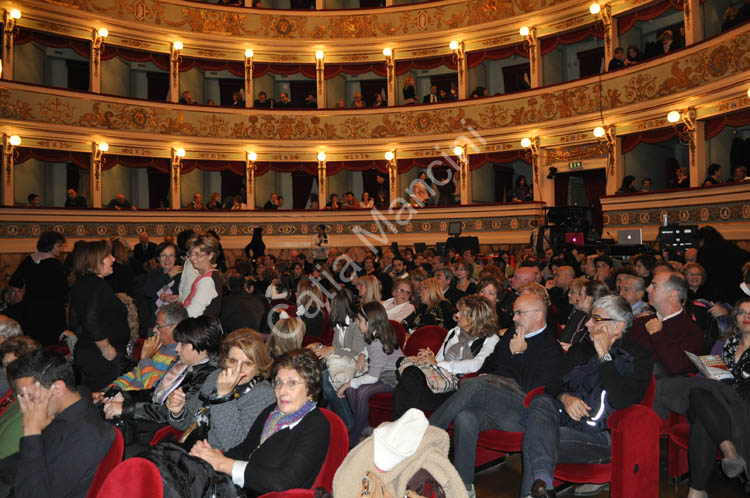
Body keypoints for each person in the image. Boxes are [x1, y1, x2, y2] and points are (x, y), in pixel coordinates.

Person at [430, 294, 563, 496]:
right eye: (514, 313)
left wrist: (519, 355)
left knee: (476, 386)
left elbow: (534, 389)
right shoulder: (512, 333)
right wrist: (486, 375)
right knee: (465, 417)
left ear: (537, 315)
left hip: (523, 412)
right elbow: (491, 362)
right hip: (494, 401)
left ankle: (424, 437)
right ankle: (463, 486)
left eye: (520, 313)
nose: (514, 318)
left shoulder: (551, 348)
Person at [520, 295, 653, 497]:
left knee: (536, 438)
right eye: (590, 318)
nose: (588, 324)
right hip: (566, 422)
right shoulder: (581, 349)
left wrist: (604, 356)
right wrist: (565, 398)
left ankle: (541, 486)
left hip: (602, 436)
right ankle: (542, 486)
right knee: (540, 402)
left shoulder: (638, 356)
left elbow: (622, 399)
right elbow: (553, 384)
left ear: (618, 327)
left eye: (596, 319)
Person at [186, 349, 330, 495]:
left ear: (311, 389)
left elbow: (283, 481)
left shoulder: (316, 425)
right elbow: (243, 450)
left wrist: (222, 463)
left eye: (292, 383)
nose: (282, 391)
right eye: (279, 382)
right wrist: (210, 457)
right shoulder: (272, 412)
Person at [663, 297, 750, 498]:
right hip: (714, 401)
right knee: (699, 390)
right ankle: (729, 450)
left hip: (741, 405)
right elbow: (703, 378)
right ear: (735, 318)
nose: (746, 317)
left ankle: (697, 489)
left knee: (704, 420)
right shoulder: (722, 344)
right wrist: (710, 376)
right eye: (742, 313)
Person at [0, 349, 115, 498]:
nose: (25, 408)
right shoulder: (66, 412)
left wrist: (31, 432)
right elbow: (21, 462)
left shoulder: (86, 434)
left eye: (29, 397)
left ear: (58, 389)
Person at [102, 315, 221, 449]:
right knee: (105, 405)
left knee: (107, 428)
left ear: (202, 345)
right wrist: (122, 396)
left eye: (183, 344)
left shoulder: (207, 376)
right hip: (151, 415)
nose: (177, 349)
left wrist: (126, 408)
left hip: (163, 429)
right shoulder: (183, 363)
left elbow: (173, 413)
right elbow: (156, 392)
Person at [392, 295, 499, 420]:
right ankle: (401, 428)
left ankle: (397, 428)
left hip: (458, 388)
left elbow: (478, 364)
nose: (457, 315)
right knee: (410, 377)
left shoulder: (491, 338)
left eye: (462, 313)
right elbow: (438, 359)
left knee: (404, 392)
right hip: (439, 380)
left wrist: (438, 364)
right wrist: (429, 358)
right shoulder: (454, 331)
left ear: (476, 318)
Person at [168, 329, 275, 451]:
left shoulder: (263, 394)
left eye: (247, 364)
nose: (237, 370)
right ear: (225, 360)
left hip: (217, 460)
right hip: (190, 447)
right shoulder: (216, 376)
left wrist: (223, 396)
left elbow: (234, 444)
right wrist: (177, 412)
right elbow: (187, 420)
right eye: (233, 361)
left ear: (258, 367)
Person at [338, 302, 403, 446]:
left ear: (370, 322)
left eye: (360, 320)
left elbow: (373, 377)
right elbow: (368, 348)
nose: (357, 323)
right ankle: (365, 430)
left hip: (393, 378)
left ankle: (355, 436)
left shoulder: (377, 343)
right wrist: (362, 355)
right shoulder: (375, 334)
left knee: (360, 392)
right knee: (351, 390)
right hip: (382, 374)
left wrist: (349, 383)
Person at [68, 240, 130, 391]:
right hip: (101, 358)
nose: (113, 259)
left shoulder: (82, 283)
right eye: (108, 255)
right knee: (106, 401)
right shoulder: (96, 284)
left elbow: (75, 321)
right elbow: (90, 319)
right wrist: (106, 349)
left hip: (89, 353)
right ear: (97, 260)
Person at [630, 272, 704, 376]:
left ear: (672, 295)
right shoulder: (640, 322)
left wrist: (656, 334)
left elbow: (678, 366)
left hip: (668, 389)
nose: (647, 289)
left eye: (654, 286)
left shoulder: (692, 332)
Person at [105, 303, 187, 394]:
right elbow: (136, 373)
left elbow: (156, 390)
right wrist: (111, 389)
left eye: (158, 326)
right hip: (123, 395)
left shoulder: (179, 358)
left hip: (136, 402)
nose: (154, 330)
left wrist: (146, 359)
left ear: (174, 328)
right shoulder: (160, 346)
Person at [8, 231, 68, 347]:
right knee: (51, 344)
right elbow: (64, 289)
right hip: (51, 311)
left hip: (30, 308)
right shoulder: (55, 264)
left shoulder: (28, 260)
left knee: (33, 342)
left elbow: (14, 281)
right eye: (59, 246)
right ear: (50, 245)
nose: (61, 249)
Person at [0, 336, 40, 459]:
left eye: (15, 363)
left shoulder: (30, 401)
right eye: (6, 364)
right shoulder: (13, 394)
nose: (10, 369)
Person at [141, 242, 182, 332]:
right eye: (164, 255)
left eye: (171, 255)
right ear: (158, 258)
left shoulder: (182, 275)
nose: (167, 259)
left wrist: (177, 298)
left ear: (175, 258)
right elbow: (147, 292)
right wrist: (168, 275)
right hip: (154, 322)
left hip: (175, 324)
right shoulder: (153, 274)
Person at [182, 234, 223, 318]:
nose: (192, 258)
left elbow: (193, 313)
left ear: (210, 255)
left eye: (198, 254)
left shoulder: (207, 280)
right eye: (191, 253)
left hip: (200, 329)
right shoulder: (208, 275)